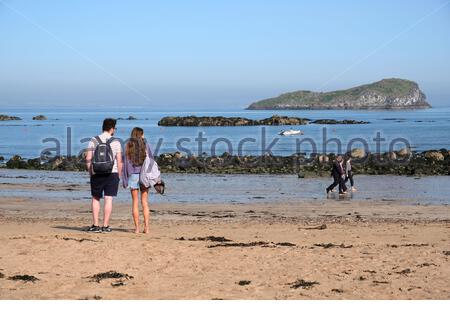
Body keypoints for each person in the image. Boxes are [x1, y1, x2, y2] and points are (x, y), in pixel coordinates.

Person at [85, 118, 123, 233]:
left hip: (97, 172)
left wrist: (90, 172)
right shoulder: (116, 142)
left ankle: (95, 225)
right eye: (115, 128)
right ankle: (105, 226)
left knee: (96, 198)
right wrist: (119, 175)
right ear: (112, 128)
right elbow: (119, 161)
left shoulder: (93, 140)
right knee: (108, 198)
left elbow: (88, 158)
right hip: (112, 173)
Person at [122, 127, 154, 234]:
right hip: (144, 176)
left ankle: (137, 229)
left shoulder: (128, 146)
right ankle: (147, 228)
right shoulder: (146, 145)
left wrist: (125, 179)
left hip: (133, 176)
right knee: (144, 202)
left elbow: (126, 164)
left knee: (135, 202)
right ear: (141, 135)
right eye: (143, 134)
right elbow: (151, 160)